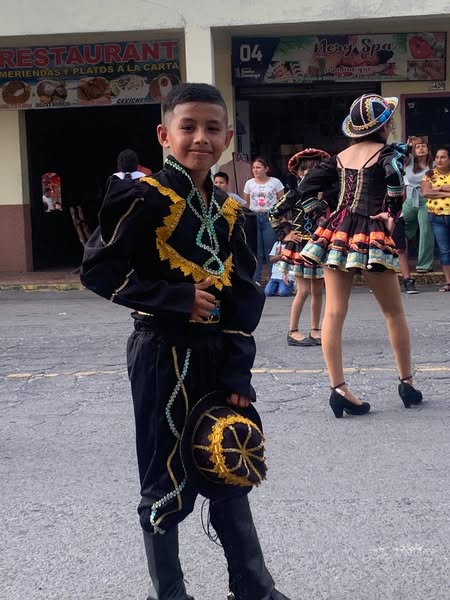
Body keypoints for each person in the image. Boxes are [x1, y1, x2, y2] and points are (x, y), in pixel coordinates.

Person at [80, 83, 289, 600]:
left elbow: (243, 296)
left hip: (217, 355)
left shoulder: (229, 210)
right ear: (164, 134)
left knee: (229, 460)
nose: (200, 138)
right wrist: (173, 298)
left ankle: (254, 588)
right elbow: (98, 270)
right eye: (188, 127)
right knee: (165, 477)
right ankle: (170, 593)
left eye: (212, 128)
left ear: (227, 138)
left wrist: (238, 372)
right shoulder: (143, 198)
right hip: (161, 353)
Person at [300, 93, 423, 417]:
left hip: (338, 233)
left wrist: (321, 214)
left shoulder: (339, 158)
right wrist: (391, 213)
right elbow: (394, 180)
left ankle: (338, 388)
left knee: (333, 313)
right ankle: (406, 383)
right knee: (393, 312)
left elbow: (304, 188)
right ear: (383, 126)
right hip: (370, 233)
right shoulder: (387, 154)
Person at [270, 148, 331, 346]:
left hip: (318, 244)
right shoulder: (295, 193)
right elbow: (273, 213)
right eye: (306, 169)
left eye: (316, 169)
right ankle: (293, 331)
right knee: (303, 290)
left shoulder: (324, 194)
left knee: (318, 290)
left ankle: (315, 330)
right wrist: (285, 235)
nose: (311, 173)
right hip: (300, 246)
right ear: (299, 173)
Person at [243, 158, 284, 284]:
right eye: (254, 167)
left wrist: (281, 218)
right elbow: (247, 202)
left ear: (266, 169)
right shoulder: (249, 183)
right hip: (253, 217)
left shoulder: (275, 182)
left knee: (270, 250)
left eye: (258, 167)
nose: (255, 170)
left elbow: (282, 201)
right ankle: (256, 280)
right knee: (256, 250)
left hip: (270, 217)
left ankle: (273, 279)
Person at [401, 136, 435, 288]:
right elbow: (400, 155)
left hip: (426, 201)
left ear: (428, 149)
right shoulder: (409, 162)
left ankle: (424, 264)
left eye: (423, 146)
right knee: (400, 228)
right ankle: (396, 260)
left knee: (426, 230)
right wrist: (408, 146)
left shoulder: (433, 165)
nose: (421, 148)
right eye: (418, 147)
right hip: (410, 200)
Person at [421, 145, 450, 292]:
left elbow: (431, 191)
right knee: (444, 250)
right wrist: (445, 190)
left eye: (443, 157)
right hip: (437, 217)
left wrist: (436, 189)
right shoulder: (430, 174)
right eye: (437, 157)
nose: (439, 160)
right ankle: (449, 282)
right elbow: (426, 192)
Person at [264, 224, 295, 297]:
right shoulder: (277, 244)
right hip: (275, 275)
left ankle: (290, 286)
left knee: (283, 293)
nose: (281, 234)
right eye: (280, 232)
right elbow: (271, 259)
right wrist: (280, 256)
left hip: (287, 275)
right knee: (267, 292)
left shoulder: (292, 244)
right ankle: (279, 287)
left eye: (284, 232)